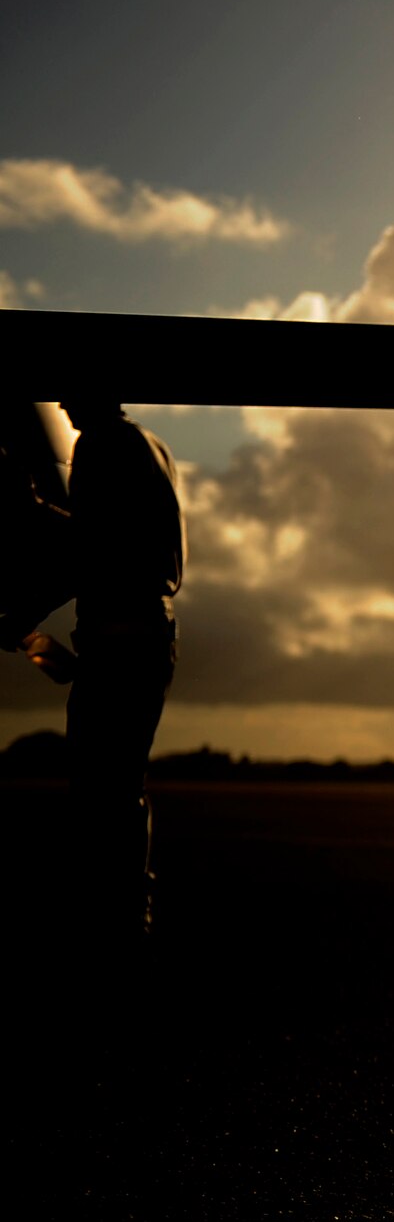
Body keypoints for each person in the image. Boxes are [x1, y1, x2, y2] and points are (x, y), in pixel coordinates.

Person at [1, 401, 185, 948]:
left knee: (100, 789)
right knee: (121, 786)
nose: (58, 402)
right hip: (149, 635)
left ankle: (117, 924)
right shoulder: (149, 445)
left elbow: (90, 552)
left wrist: (21, 613)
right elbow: (110, 542)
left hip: (118, 636)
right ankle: (126, 916)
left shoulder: (100, 448)